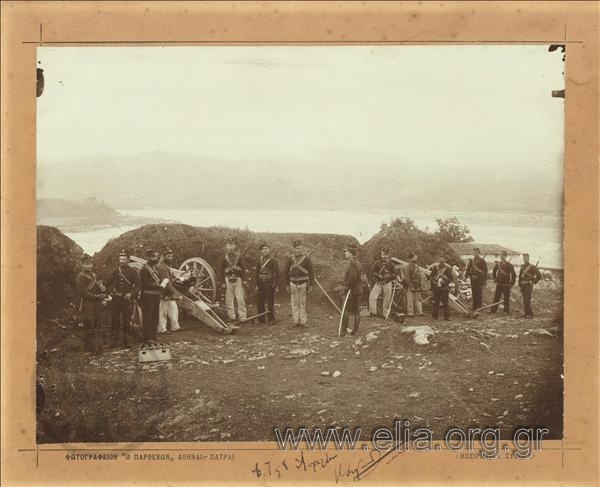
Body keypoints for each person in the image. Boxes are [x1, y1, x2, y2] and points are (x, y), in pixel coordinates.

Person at [105, 249, 141, 348]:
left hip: (126, 299)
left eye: (124, 259)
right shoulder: (116, 271)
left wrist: (131, 294)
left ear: (128, 260)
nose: (122, 261)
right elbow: (107, 282)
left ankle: (126, 341)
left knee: (126, 320)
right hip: (116, 299)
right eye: (120, 259)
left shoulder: (133, 272)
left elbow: (138, 286)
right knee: (114, 320)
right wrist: (107, 290)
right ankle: (114, 341)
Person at [76, 254, 106, 353]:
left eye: (90, 263)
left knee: (97, 323)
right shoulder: (80, 276)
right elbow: (82, 293)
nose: (89, 266)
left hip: (96, 303)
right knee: (89, 324)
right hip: (87, 304)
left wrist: (101, 290)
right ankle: (89, 348)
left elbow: (97, 289)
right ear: (82, 265)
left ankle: (97, 346)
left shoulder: (93, 275)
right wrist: (97, 297)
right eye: (86, 264)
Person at [285, 240, 315, 327]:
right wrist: (287, 284)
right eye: (297, 248)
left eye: (300, 248)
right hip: (293, 283)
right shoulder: (290, 259)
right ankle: (296, 321)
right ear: (294, 249)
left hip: (303, 284)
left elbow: (311, 273)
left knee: (303, 303)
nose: (298, 250)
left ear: (302, 248)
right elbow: (286, 272)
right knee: (294, 303)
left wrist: (311, 285)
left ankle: (303, 321)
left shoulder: (307, 260)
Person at [139, 248, 162, 343]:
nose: (155, 258)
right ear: (148, 257)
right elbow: (146, 284)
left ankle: (153, 335)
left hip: (155, 296)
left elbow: (157, 279)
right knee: (148, 317)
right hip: (148, 296)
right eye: (153, 257)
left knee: (154, 316)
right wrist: (158, 286)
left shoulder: (153, 268)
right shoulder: (144, 269)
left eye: (156, 256)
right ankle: (147, 337)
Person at [220, 238, 247, 322]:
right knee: (229, 300)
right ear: (226, 247)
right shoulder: (224, 257)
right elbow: (221, 270)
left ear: (234, 247)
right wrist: (222, 282)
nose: (230, 248)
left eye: (232, 246)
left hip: (238, 279)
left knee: (240, 299)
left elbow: (243, 268)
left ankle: (242, 317)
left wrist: (244, 280)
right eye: (229, 246)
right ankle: (231, 316)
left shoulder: (238, 257)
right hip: (228, 280)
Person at [156, 248, 181, 333]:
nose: (170, 257)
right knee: (163, 311)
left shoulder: (166, 266)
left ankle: (175, 326)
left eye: (171, 256)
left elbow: (170, 279)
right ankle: (162, 329)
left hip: (169, 291)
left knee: (173, 309)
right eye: (168, 256)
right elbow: (166, 282)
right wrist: (174, 293)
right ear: (164, 257)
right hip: (164, 292)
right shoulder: (162, 267)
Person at [341, 244, 363, 336]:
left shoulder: (352, 262)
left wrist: (346, 287)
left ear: (350, 253)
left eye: (346, 251)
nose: (345, 253)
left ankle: (343, 330)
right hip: (358, 289)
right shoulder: (358, 262)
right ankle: (355, 330)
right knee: (356, 310)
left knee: (345, 309)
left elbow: (353, 277)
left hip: (352, 290)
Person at [368, 248, 397, 317]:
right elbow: (372, 272)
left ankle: (385, 314)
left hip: (387, 283)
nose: (384, 256)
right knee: (372, 297)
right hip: (379, 283)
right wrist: (378, 275)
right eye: (383, 254)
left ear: (388, 255)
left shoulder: (391, 264)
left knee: (387, 299)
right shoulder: (377, 263)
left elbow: (395, 274)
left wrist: (389, 275)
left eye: (385, 255)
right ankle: (373, 312)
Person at [256, 243, 279, 324]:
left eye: (266, 248)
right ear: (261, 251)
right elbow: (257, 273)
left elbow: (277, 273)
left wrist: (276, 285)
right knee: (260, 301)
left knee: (270, 301)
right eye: (263, 249)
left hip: (270, 283)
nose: (265, 250)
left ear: (269, 250)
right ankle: (261, 319)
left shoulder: (273, 260)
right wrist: (257, 284)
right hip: (261, 283)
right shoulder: (259, 260)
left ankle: (271, 319)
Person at [429, 255, 455, 321]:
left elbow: (451, 278)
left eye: (442, 260)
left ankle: (447, 317)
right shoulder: (435, 268)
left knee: (445, 302)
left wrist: (444, 282)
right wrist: (434, 282)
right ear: (439, 260)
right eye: (440, 260)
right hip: (436, 288)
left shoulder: (448, 269)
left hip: (444, 288)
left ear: (445, 261)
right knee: (436, 302)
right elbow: (431, 277)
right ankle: (435, 316)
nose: (441, 261)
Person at [518, 253, 542, 318]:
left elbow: (539, 275)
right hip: (523, 285)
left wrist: (533, 282)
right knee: (524, 299)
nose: (524, 259)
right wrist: (520, 285)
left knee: (527, 299)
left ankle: (530, 314)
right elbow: (520, 277)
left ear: (528, 258)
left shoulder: (532, 267)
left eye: (525, 258)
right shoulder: (522, 266)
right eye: (523, 258)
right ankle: (526, 313)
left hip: (528, 285)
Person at [405, 252, 425, 317]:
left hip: (417, 285)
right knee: (410, 300)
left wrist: (420, 286)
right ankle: (410, 313)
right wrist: (411, 286)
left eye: (415, 257)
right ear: (410, 259)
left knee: (418, 299)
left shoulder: (417, 266)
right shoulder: (408, 267)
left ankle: (419, 312)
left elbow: (419, 276)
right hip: (411, 285)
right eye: (413, 258)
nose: (415, 259)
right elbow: (407, 278)